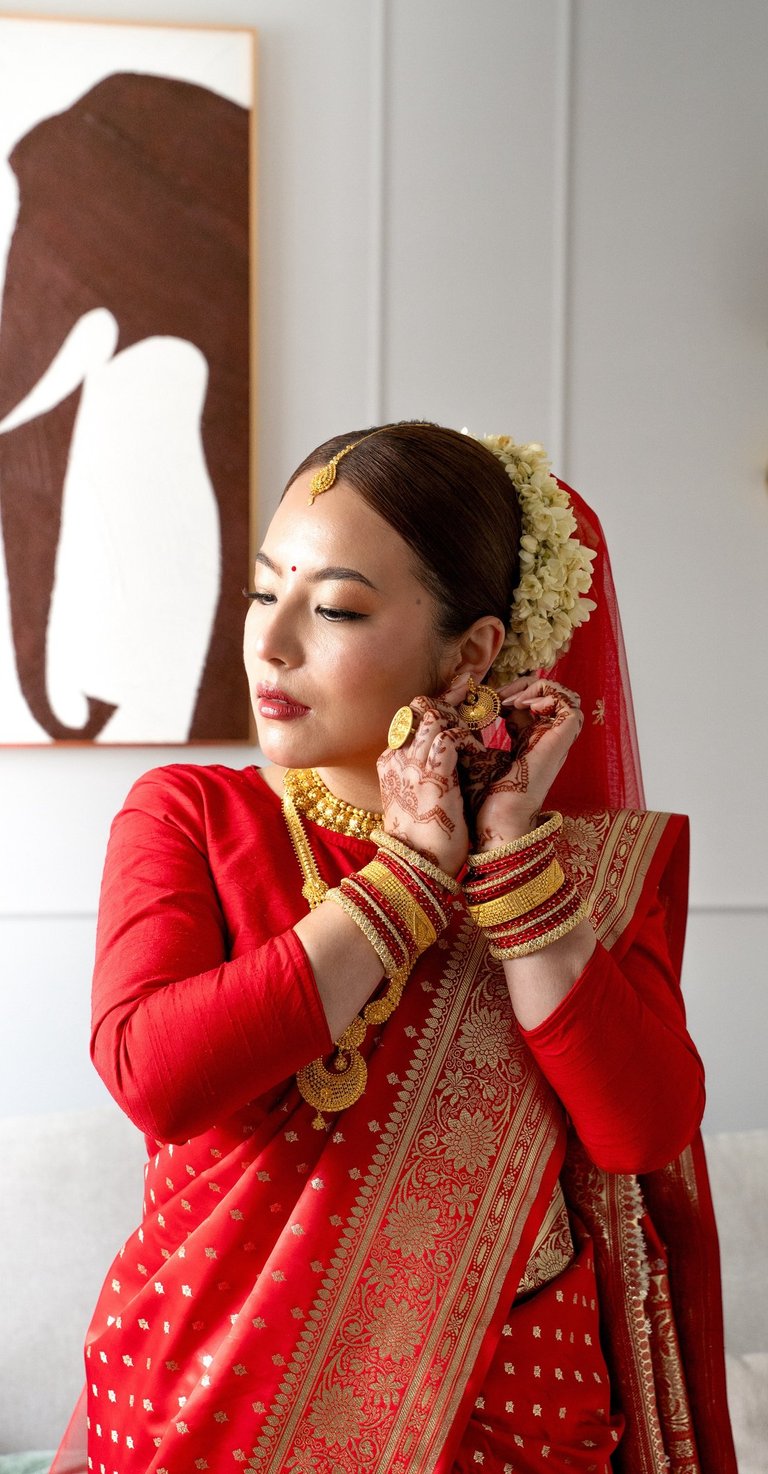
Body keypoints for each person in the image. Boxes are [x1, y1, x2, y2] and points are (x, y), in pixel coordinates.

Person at [51, 422, 735, 1474]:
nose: (272, 642)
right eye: (264, 591)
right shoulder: (191, 814)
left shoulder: (575, 878)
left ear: (471, 654)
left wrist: (510, 866)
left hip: (511, 1415)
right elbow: (157, 1077)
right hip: (211, 1403)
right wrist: (406, 880)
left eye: (334, 608)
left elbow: (642, 1131)